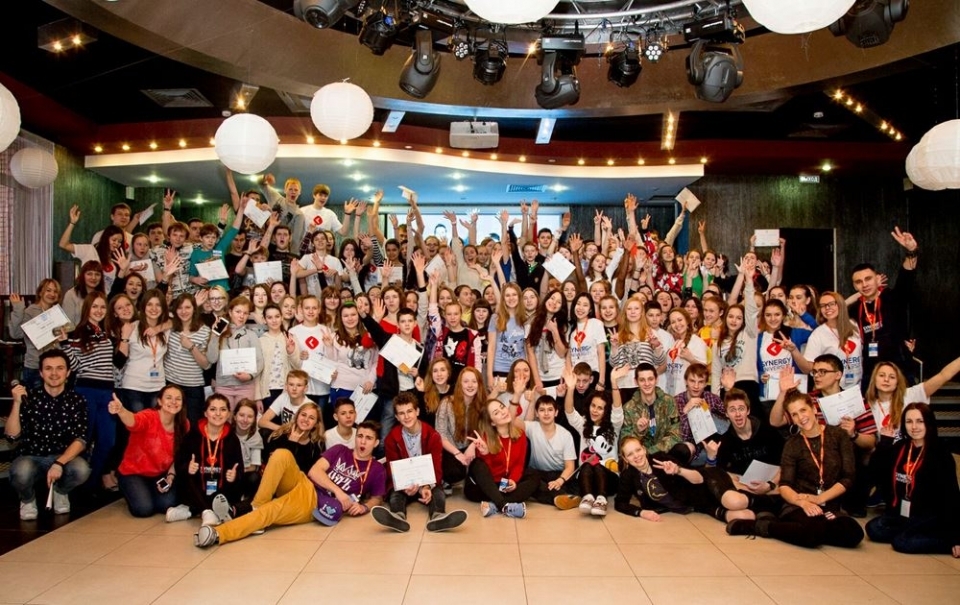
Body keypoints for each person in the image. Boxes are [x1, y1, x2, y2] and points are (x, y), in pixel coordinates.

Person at [194, 420, 385, 547]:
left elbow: (377, 497)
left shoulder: (376, 469)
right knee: (281, 454)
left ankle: (218, 534)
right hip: (304, 482)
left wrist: (364, 507)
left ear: (376, 443)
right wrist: (339, 492)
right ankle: (256, 505)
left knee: (271, 510)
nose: (362, 441)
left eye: (368, 438)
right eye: (360, 436)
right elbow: (315, 471)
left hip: (314, 502)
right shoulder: (340, 450)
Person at [726, 391, 865, 549]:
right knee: (813, 532)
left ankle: (792, 528)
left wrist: (819, 499)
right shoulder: (792, 444)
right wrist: (803, 503)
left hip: (828, 503)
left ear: (814, 409)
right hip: (797, 504)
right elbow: (785, 485)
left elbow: (848, 478)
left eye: (803, 410)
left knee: (854, 533)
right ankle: (761, 527)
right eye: (794, 414)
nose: (801, 417)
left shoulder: (838, 435)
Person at [5, 350, 91, 520]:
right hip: (31, 456)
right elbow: (11, 436)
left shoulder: (77, 400)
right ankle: (27, 499)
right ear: (41, 373)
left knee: (82, 469)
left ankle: (60, 492)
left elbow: (80, 440)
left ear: (68, 372)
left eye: (60, 368)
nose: (54, 373)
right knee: (20, 472)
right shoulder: (30, 397)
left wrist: (59, 463)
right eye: (48, 368)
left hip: (63, 457)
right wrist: (17, 403)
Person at [866, 403, 960, 557]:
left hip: (929, 517)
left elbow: (952, 496)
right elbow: (875, 473)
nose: (914, 427)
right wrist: (884, 444)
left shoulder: (940, 454)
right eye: (909, 422)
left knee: (902, 542)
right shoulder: (900, 447)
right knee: (874, 529)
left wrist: (956, 536)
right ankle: (909, 532)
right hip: (902, 514)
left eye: (920, 421)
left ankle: (945, 540)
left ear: (929, 423)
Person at [372, 393, 468, 532]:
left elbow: (436, 468)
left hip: (426, 481)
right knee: (395, 494)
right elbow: (393, 469)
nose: (406, 416)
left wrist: (426, 486)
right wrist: (406, 486)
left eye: (410, 411)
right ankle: (397, 516)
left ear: (417, 411)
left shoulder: (432, 435)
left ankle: (438, 516)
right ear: (397, 417)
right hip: (405, 483)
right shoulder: (391, 438)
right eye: (401, 413)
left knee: (438, 492)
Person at [615, 436, 755, 524]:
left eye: (638, 450)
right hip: (699, 504)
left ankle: (762, 498)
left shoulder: (661, 459)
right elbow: (620, 503)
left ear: (644, 449)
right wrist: (641, 513)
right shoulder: (629, 476)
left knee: (735, 502)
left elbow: (699, 478)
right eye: (630, 454)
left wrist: (678, 470)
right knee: (746, 516)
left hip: (707, 483)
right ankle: (762, 508)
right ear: (625, 459)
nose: (636, 456)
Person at [849, 226, 919, 384]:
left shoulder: (892, 297)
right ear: (854, 286)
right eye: (859, 282)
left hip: (899, 367)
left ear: (877, 279)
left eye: (868, 279)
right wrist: (856, 296)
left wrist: (912, 251)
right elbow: (834, 308)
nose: (864, 284)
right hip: (871, 371)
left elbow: (906, 276)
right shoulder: (855, 309)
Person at [109, 387, 189, 517]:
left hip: (159, 474)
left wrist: (170, 476)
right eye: (168, 398)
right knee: (144, 509)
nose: (173, 402)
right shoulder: (149, 416)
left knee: (167, 505)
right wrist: (121, 410)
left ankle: (148, 493)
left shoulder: (184, 424)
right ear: (160, 401)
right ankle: (132, 490)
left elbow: (179, 454)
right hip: (133, 472)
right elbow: (133, 421)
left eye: (178, 399)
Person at [165, 394, 244, 525]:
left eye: (223, 410)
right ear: (205, 413)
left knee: (234, 487)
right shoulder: (192, 435)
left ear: (229, 414)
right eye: (213, 409)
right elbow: (179, 463)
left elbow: (239, 468)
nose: (218, 414)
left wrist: (234, 476)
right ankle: (207, 512)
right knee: (188, 476)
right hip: (196, 489)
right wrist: (187, 467)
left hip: (220, 490)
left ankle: (191, 511)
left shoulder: (232, 439)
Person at [708, 388, 784, 514]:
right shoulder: (725, 442)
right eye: (732, 410)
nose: (737, 414)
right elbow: (722, 474)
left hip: (773, 485)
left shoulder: (768, 431)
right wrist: (711, 457)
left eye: (741, 409)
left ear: (748, 410)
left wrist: (769, 485)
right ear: (726, 414)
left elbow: (786, 464)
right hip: (747, 490)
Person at [563, 367, 626, 516]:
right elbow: (569, 412)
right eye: (593, 406)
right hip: (587, 478)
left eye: (600, 408)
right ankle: (588, 498)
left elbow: (618, 410)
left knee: (597, 465)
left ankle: (602, 501)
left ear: (606, 411)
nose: (595, 410)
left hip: (609, 479)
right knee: (586, 465)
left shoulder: (614, 426)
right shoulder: (584, 424)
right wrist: (570, 389)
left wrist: (614, 383)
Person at [464, 399, 537, 519]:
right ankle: (503, 505)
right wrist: (485, 453)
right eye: (496, 413)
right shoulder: (484, 439)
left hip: (503, 485)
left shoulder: (520, 434)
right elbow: (485, 475)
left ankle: (495, 505)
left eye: (502, 407)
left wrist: (513, 480)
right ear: (492, 422)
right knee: (477, 464)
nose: (503, 412)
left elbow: (519, 464)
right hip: (482, 488)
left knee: (534, 475)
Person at [521, 394, 579, 510]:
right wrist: (523, 398)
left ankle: (560, 496)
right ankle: (563, 498)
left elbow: (570, 467)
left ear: (556, 412)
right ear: (537, 413)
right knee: (529, 480)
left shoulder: (566, 435)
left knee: (571, 485)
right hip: (538, 474)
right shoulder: (531, 427)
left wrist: (559, 481)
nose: (546, 413)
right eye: (542, 410)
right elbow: (512, 421)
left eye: (550, 410)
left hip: (559, 474)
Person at [205, 296, 264, 410]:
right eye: (238, 312)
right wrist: (215, 335)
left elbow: (260, 361)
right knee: (224, 418)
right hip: (223, 385)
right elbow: (211, 358)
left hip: (246, 386)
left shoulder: (251, 335)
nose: (241, 316)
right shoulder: (220, 333)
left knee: (243, 417)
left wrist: (250, 375)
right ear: (230, 312)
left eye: (245, 313)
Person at [9, 280, 64, 389]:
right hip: (35, 365)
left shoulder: (58, 313)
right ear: (40, 292)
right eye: (48, 290)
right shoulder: (30, 311)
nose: (52, 294)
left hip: (55, 365)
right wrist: (18, 309)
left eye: (55, 291)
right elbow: (16, 334)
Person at [618, 363, 682, 455]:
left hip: (665, 453)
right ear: (636, 381)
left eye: (650, 379)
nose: (647, 384)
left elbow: (675, 435)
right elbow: (625, 444)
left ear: (656, 379)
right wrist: (638, 430)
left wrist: (651, 451)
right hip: (640, 457)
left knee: (683, 450)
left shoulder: (668, 401)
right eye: (642, 380)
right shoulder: (628, 408)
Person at [262, 402, 325, 472]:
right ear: (297, 416)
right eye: (303, 415)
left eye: (311, 418)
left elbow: (307, 471)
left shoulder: (318, 445)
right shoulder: (280, 435)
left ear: (316, 424)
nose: (306, 419)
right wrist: (291, 443)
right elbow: (277, 466)